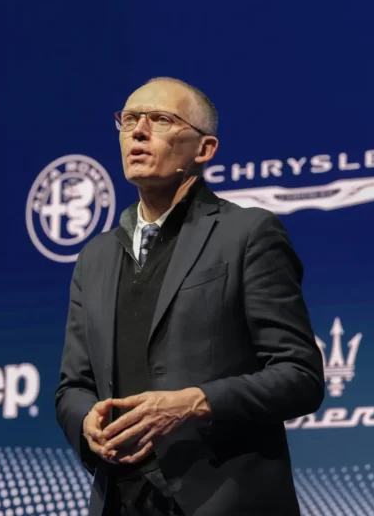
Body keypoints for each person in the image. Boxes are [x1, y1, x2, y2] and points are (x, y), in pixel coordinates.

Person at [53, 76, 325, 516]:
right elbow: (73, 386)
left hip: (225, 499)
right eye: (129, 120)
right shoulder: (95, 257)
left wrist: (194, 403)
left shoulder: (247, 233)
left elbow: (300, 375)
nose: (138, 132)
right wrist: (86, 421)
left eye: (160, 120)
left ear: (204, 149)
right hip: (120, 501)